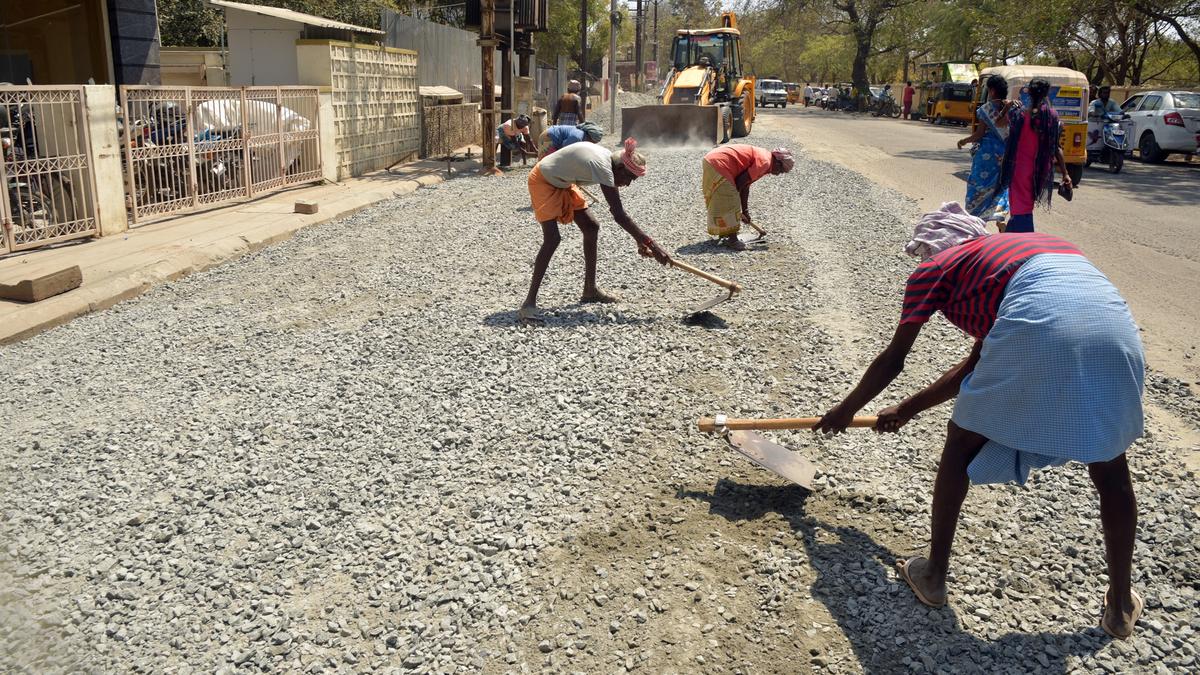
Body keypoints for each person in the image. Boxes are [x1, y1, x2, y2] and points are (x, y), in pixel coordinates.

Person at [813, 224, 1145, 640]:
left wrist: (844, 411)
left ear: (933, 249)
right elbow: (979, 363)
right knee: (1110, 465)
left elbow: (894, 359)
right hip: (1117, 334)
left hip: (1042, 322)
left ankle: (933, 575)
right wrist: (906, 409)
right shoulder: (1010, 257)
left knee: (961, 446)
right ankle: (1119, 608)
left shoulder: (936, 269)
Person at [518, 139, 671, 323]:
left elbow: (619, 215)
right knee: (552, 239)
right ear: (620, 168)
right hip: (543, 180)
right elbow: (619, 214)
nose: (628, 184)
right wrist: (652, 245)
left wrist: (641, 240)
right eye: (629, 178)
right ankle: (529, 303)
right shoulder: (604, 168)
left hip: (563, 181)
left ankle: (590, 290)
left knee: (591, 227)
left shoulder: (611, 162)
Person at [999, 79, 1072, 233]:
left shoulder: (1019, 114)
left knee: (1020, 208)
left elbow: (999, 122)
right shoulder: (1052, 116)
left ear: (1029, 92)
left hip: (1019, 169)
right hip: (1039, 170)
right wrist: (1065, 173)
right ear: (1047, 93)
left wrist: (1006, 107)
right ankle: (1011, 233)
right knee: (1026, 206)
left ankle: (1020, 237)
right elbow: (1056, 147)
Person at [701, 145, 794, 250]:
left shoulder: (765, 157)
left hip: (712, 160)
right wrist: (736, 206)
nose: (778, 174)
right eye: (781, 170)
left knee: (723, 198)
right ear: (777, 162)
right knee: (730, 199)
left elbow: (745, 185)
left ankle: (725, 232)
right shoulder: (765, 162)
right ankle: (733, 240)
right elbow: (740, 182)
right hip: (719, 163)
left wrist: (745, 211)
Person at [956, 74, 1013, 226]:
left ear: (992, 91)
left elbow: (979, 134)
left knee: (978, 185)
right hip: (1005, 154)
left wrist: (963, 141)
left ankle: (976, 219)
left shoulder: (986, 109)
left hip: (987, 155)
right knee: (1000, 186)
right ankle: (999, 216)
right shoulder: (1013, 108)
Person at [537, 122, 603, 159]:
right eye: (593, 142)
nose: (592, 144)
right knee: (543, 164)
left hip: (552, 139)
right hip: (548, 138)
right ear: (591, 137)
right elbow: (564, 150)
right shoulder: (577, 137)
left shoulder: (582, 137)